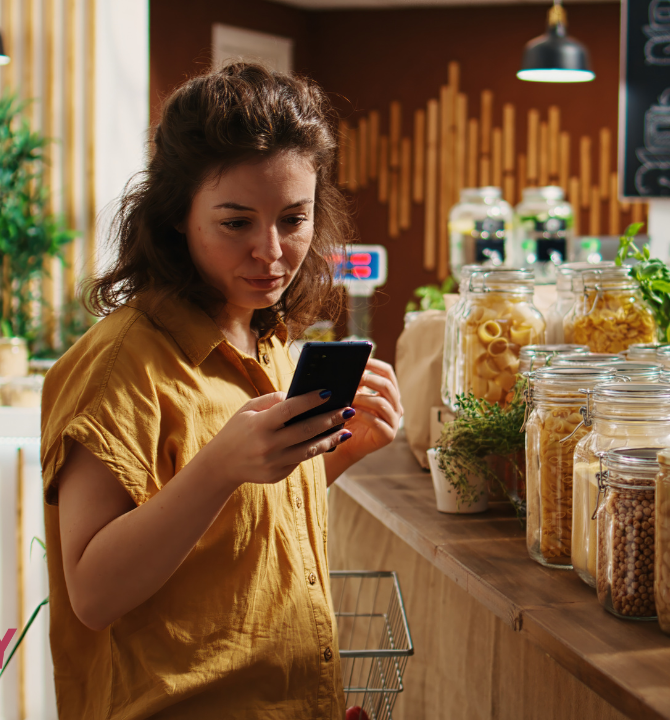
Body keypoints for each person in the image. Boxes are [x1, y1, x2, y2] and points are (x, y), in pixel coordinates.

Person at [38, 63, 404, 719]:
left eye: (294, 220)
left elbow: (227, 530)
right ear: (177, 214)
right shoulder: (121, 364)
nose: (271, 252)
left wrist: (337, 454)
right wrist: (217, 468)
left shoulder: (266, 339)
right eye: (237, 223)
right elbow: (92, 591)